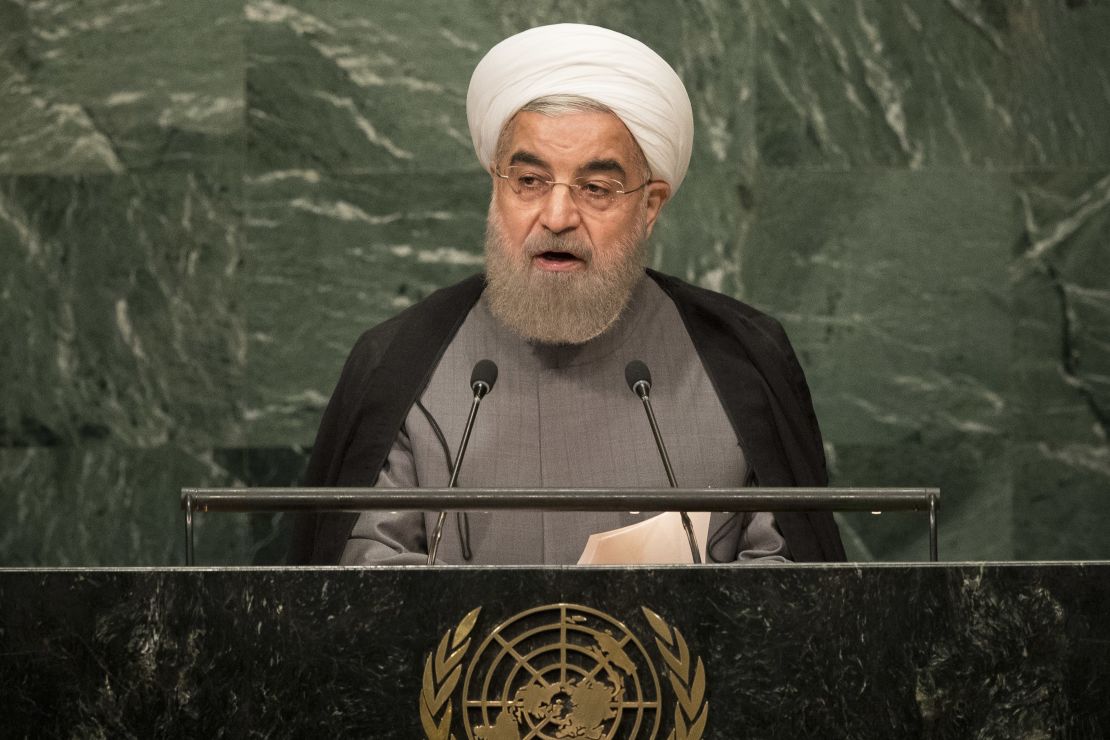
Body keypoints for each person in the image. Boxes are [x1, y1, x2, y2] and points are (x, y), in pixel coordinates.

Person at [289, 23, 845, 565]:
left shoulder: (742, 360)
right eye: (529, 181)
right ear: (495, 186)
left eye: (596, 188)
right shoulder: (399, 362)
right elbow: (364, 599)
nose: (556, 217)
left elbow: (784, 602)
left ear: (649, 207)